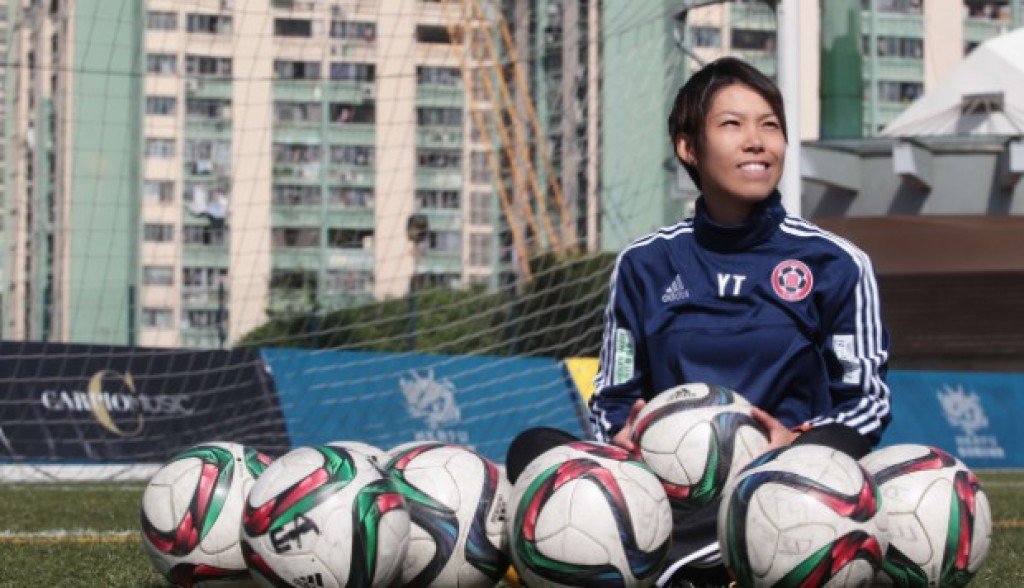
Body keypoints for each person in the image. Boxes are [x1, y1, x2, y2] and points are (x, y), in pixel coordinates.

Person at [586, 56, 892, 586]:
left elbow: (866, 402)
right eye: (733, 124)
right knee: (534, 449)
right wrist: (625, 433)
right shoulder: (644, 264)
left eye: (770, 125)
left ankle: (688, 557)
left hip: (790, 482)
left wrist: (796, 442)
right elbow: (612, 396)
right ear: (688, 147)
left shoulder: (837, 263)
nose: (757, 142)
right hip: (666, 485)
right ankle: (700, 551)